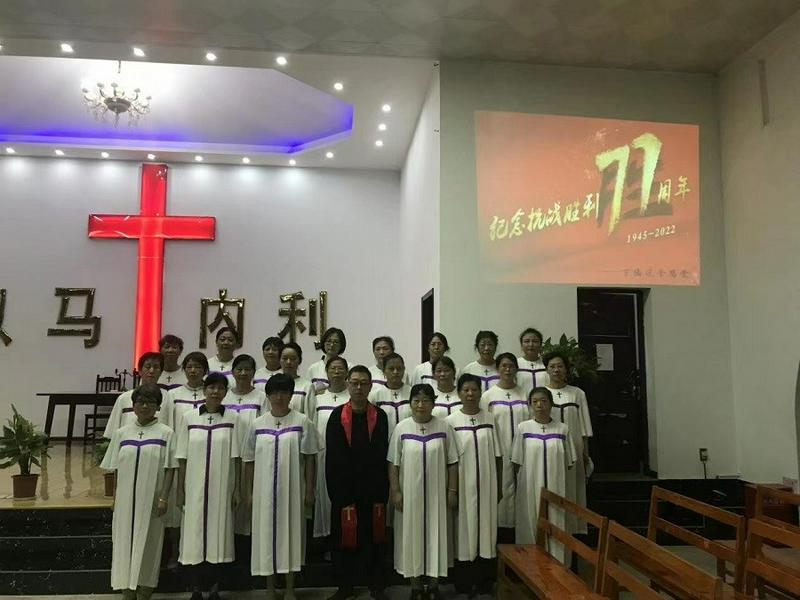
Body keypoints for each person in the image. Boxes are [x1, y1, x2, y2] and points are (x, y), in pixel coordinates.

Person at [243, 373, 318, 600]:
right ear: (267, 395)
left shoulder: (302, 422)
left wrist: (309, 489)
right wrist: (248, 492)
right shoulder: (257, 424)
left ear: (291, 395)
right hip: (263, 491)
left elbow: (310, 458)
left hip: (292, 490)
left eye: (284, 392)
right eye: (274, 392)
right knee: (265, 536)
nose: (279, 397)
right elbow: (248, 460)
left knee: (291, 535)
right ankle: (269, 587)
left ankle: (289, 588)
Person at [102, 383, 175, 600]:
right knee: (123, 541)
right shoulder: (122, 433)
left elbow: (170, 467)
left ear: (157, 407)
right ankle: (126, 589)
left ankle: (145, 588)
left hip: (152, 499)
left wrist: (164, 497)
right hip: (125, 498)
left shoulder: (166, 433)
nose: (144, 406)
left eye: (150, 402)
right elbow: (115, 468)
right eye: (140, 402)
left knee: (150, 540)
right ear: (133, 405)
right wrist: (115, 497)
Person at [325, 365, 390, 600]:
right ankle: (345, 587)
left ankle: (376, 585)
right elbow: (332, 457)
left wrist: (382, 492)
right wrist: (339, 493)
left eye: (364, 383)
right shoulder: (337, 416)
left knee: (375, 539)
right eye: (355, 383)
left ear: (371, 385)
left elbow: (383, 456)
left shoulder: (380, 417)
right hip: (345, 490)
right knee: (344, 540)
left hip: (373, 491)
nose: (359, 387)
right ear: (348, 384)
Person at [388, 384, 458, 600]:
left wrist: (452, 490)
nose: (421, 405)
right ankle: (416, 586)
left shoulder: (444, 427)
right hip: (410, 495)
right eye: (416, 400)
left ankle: (434, 585)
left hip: (437, 496)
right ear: (410, 403)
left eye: (426, 400)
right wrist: (396, 490)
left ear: (433, 403)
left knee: (437, 536)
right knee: (411, 537)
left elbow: (452, 462)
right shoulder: (402, 427)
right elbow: (393, 464)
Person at [176, 372, 241, 600]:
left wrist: (237, 489)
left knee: (219, 534)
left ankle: (214, 589)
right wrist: (180, 488)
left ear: (225, 392)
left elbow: (237, 458)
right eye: (211, 387)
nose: (215, 392)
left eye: (220, 388)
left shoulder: (234, 419)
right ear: (204, 391)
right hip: (194, 486)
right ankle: (195, 589)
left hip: (222, 486)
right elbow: (181, 456)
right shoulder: (188, 418)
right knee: (194, 536)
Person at [446, 374, 502, 597]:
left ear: (480, 392)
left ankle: (485, 580)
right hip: (463, 484)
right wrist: (452, 489)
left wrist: (497, 485)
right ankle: (464, 581)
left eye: (474, 390)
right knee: (464, 530)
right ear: (459, 393)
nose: (470, 394)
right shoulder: (451, 421)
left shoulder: (489, 418)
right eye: (466, 390)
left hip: (487, 484)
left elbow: (497, 455)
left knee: (486, 530)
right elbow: (449, 459)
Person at [512, 387, 575, 563]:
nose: (540, 405)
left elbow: (569, 463)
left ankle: (559, 566)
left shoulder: (563, 429)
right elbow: (517, 461)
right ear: (530, 405)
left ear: (551, 403)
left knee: (557, 521)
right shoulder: (523, 428)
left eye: (544, 401)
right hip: (531, 486)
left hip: (557, 486)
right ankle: (529, 566)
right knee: (530, 521)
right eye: (535, 401)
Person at [165, 351, 209, 570]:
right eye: (190, 366)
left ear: (205, 370)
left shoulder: (212, 392)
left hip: (207, 456)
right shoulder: (173, 395)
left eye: (198, 367)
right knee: (178, 507)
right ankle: (175, 552)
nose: (193, 371)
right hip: (180, 455)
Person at [480, 352, 529, 540]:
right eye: (503, 366)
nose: (507, 369)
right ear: (497, 369)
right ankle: (500, 535)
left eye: (511, 366)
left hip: (522, 449)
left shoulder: (524, 393)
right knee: (502, 488)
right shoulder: (488, 395)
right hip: (498, 449)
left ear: (516, 369)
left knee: (522, 489)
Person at [544, 351, 593, 534]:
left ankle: (573, 532)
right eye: (552, 366)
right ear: (546, 370)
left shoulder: (577, 393)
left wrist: (585, 453)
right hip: (550, 448)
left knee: (574, 489)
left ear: (566, 369)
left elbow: (584, 426)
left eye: (560, 366)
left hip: (575, 448)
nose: (556, 370)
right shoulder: (542, 393)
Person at [223, 354, 266, 539]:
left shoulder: (261, 397)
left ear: (253, 373)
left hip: (254, 457)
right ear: (232, 372)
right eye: (239, 369)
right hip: (227, 455)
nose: (243, 373)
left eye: (247, 369)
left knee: (251, 499)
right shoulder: (224, 396)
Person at [313, 356, 350, 541]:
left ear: (346, 372)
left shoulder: (352, 397)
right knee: (324, 495)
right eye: (332, 368)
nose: (336, 372)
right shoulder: (318, 398)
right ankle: (326, 539)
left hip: (347, 458)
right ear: (326, 372)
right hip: (323, 455)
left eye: (340, 368)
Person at [104, 352, 174, 439]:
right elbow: (112, 433)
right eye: (148, 367)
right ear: (140, 371)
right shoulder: (124, 398)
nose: (151, 371)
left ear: (161, 372)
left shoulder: (168, 397)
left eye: (156, 367)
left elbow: (170, 429)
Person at [369, 352, 412, 438]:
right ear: (384, 371)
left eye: (399, 368)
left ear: (404, 369)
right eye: (391, 369)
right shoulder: (375, 395)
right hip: (383, 442)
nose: (395, 372)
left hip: (408, 441)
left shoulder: (412, 392)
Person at [280, 342, 317, 416]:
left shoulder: (307, 386)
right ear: (279, 360)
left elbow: (310, 417)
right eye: (284, 358)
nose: (288, 362)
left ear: (299, 361)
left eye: (293, 359)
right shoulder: (274, 384)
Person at [307, 327, 347, 392]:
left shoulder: (348, 367)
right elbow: (308, 393)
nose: (331, 345)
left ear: (341, 345)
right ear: (323, 343)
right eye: (329, 341)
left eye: (336, 342)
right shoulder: (313, 368)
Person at [517, 327, 549, 400]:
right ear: (521, 345)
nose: (531, 344)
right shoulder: (515, 364)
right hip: (522, 405)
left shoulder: (547, 364)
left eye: (535, 341)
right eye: (527, 341)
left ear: (540, 345)